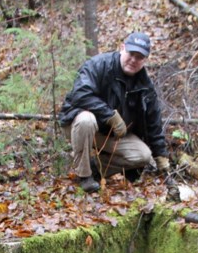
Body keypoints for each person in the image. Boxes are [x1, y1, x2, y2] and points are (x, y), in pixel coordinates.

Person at [58, 32, 170, 193]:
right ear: (122, 48)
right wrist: (109, 115)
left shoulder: (145, 85)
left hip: (113, 135)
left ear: (145, 60)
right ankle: (84, 176)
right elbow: (79, 94)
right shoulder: (99, 65)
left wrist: (161, 156)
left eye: (139, 57)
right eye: (131, 54)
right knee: (86, 120)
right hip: (80, 126)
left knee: (144, 155)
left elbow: (153, 122)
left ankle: (95, 168)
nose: (133, 60)